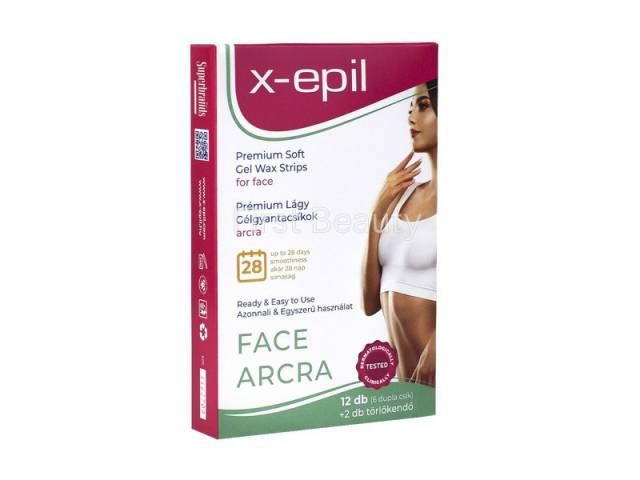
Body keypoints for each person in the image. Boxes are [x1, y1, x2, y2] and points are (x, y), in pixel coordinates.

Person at [361, 80, 438, 387]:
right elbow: (370, 304)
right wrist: (377, 210)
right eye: (409, 109)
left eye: (423, 106)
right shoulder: (403, 194)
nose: (411, 118)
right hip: (405, 386)